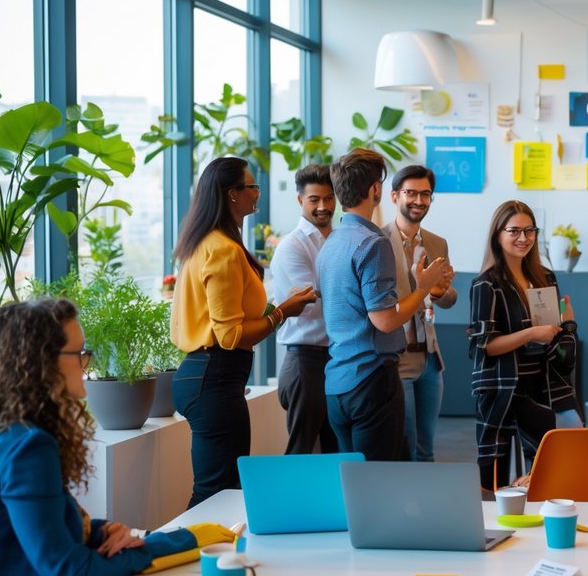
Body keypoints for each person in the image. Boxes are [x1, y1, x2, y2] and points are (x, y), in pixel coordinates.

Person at [0, 299, 229, 576]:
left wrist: (97, 531)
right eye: (78, 354)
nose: (86, 365)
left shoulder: (10, 433)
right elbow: (67, 571)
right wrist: (155, 548)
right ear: (41, 363)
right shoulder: (28, 447)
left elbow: (30, 527)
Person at [171, 156, 317, 506]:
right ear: (232, 194)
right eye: (252, 186)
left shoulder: (210, 242)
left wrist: (278, 308)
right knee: (217, 491)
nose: (258, 193)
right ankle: (189, 554)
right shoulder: (221, 250)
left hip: (209, 376)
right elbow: (230, 336)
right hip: (213, 378)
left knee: (220, 487)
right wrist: (282, 313)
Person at [317, 149, 452, 461]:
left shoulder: (332, 242)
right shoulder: (374, 242)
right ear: (378, 190)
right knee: (380, 476)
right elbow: (386, 321)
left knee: (352, 477)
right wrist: (422, 289)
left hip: (337, 379)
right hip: (371, 378)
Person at [468, 201, 580, 489]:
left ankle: (536, 493)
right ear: (498, 235)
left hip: (545, 382)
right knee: (493, 478)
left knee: (572, 437)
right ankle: (504, 505)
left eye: (529, 230)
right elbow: (486, 346)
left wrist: (567, 326)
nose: (523, 238)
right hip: (505, 388)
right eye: (514, 231)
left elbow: (556, 340)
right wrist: (531, 334)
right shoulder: (487, 284)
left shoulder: (545, 278)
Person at [382, 165, 457, 462]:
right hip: (397, 358)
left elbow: (449, 298)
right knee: (405, 446)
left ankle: (426, 508)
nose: (418, 200)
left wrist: (438, 291)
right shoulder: (377, 241)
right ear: (394, 196)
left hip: (430, 358)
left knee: (426, 449)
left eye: (425, 194)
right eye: (410, 193)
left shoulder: (438, 243)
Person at [270, 164, 338, 455]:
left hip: (331, 359)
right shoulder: (292, 246)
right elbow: (312, 299)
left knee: (334, 447)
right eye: (314, 200)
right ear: (300, 200)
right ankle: (286, 502)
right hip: (304, 360)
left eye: (328, 198)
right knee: (301, 449)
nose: (322, 207)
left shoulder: (335, 239)